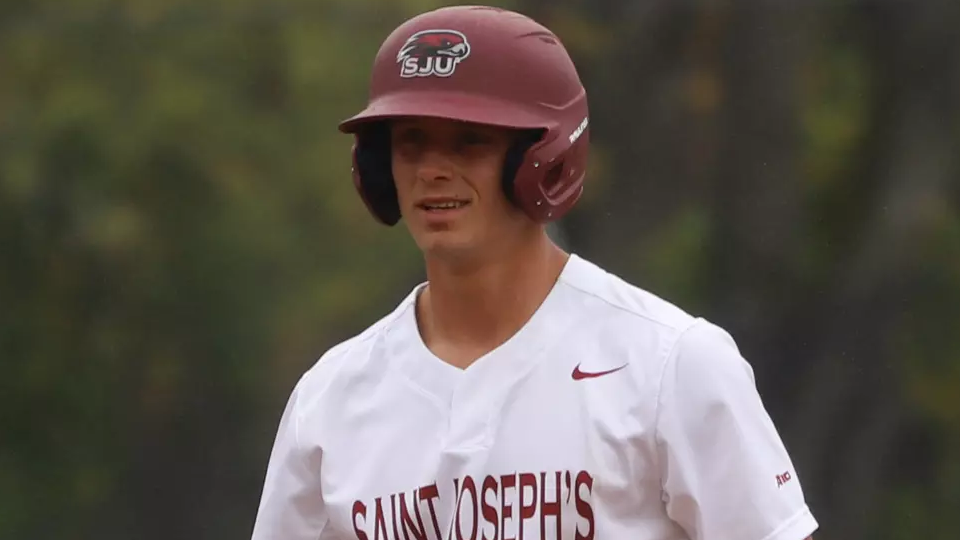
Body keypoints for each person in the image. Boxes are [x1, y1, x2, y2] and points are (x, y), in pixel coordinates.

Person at [250, 5, 819, 540]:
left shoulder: (670, 364)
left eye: (469, 140)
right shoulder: (328, 401)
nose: (431, 171)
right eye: (410, 142)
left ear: (542, 157)